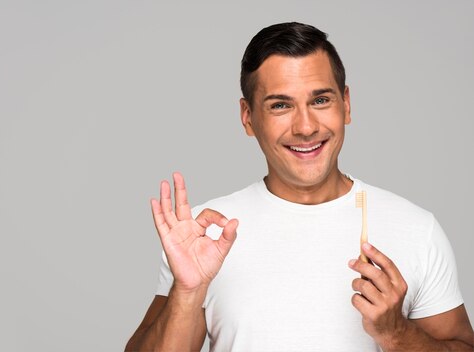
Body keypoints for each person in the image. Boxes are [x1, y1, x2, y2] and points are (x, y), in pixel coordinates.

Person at [125, 22, 474, 351]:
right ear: (248, 117)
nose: (306, 127)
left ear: (346, 104)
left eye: (321, 100)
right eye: (280, 105)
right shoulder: (207, 234)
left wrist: (397, 333)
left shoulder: (415, 228)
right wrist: (188, 291)